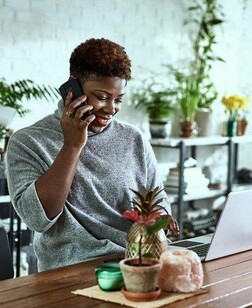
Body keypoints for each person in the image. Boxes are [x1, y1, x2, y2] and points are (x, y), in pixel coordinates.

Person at [5, 38, 171, 271]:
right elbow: (37, 219)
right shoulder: (28, 141)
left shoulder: (133, 138)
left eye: (118, 99)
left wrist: (155, 231)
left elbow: (158, 198)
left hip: (137, 262)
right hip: (70, 271)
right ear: (73, 90)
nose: (111, 109)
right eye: (102, 97)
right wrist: (72, 145)